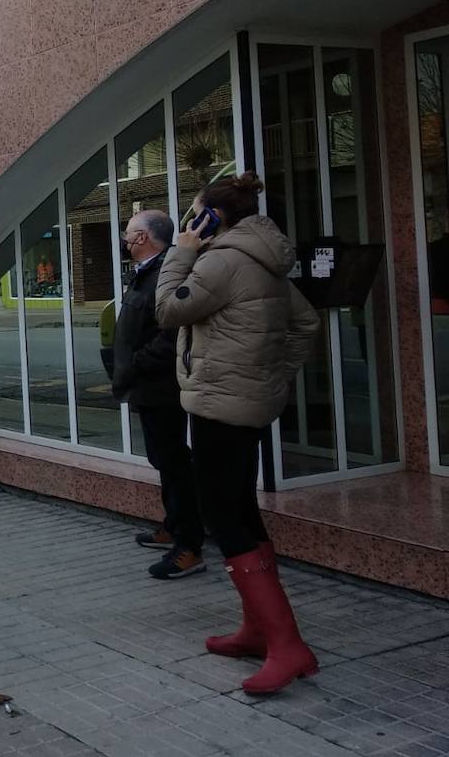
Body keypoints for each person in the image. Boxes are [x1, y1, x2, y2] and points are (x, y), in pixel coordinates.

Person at [156, 172, 321, 696]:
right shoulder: (264, 261)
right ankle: (257, 630)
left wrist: (181, 251)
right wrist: (270, 375)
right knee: (241, 511)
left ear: (211, 217)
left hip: (220, 406)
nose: (189, 223)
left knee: (222, 516)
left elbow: (168, 310)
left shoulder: (221, 261)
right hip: (246, 403)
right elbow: (306, 324)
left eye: (194, 214)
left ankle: (286, 644)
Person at [113, 209, 205, 580]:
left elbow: (170, 336)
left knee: (174, 462)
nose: (124, 238)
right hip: (146, 385)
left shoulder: (166, 273)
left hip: (160, 385)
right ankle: (173, 525)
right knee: (164, 460)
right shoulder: (148, 273)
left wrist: (134, 365)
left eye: (129, 232)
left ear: (143, 238)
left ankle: (189, 545)